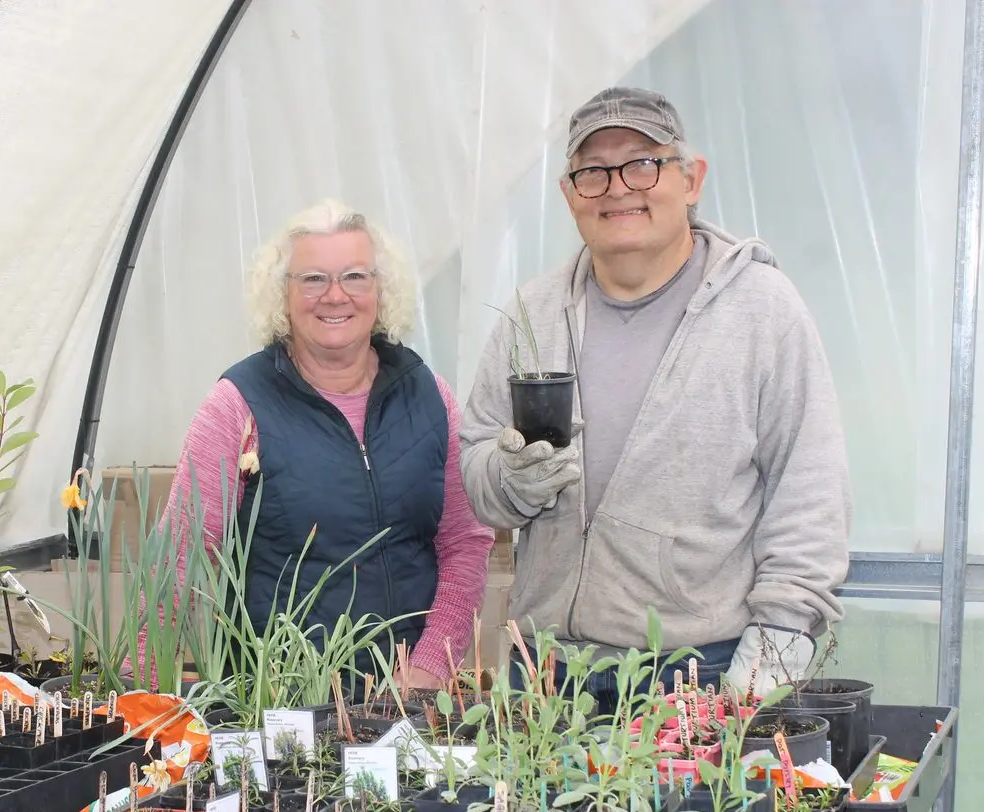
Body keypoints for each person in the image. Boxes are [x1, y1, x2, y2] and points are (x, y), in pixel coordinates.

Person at [458, 86, 852, 710]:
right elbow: (478, 470)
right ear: (569, 195)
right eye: (593, 172)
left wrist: (774, 653)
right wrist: (511, 478)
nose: (618, 187)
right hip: (546, 672)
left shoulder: (762, 311)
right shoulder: (530, 315)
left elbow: (808, 492)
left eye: (644, 163)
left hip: (701, 672)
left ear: (691, 179)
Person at [147, 198, 494, 694]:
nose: (335, 296)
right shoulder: (240, 404)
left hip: (408, 698)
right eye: (312, 279)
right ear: (282, 295)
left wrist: (430, 667)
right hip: (279, 700)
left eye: (355, 276)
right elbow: (179, 557)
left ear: (381, 289)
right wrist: (141, 703)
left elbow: (465, 541)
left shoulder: (428, 395)